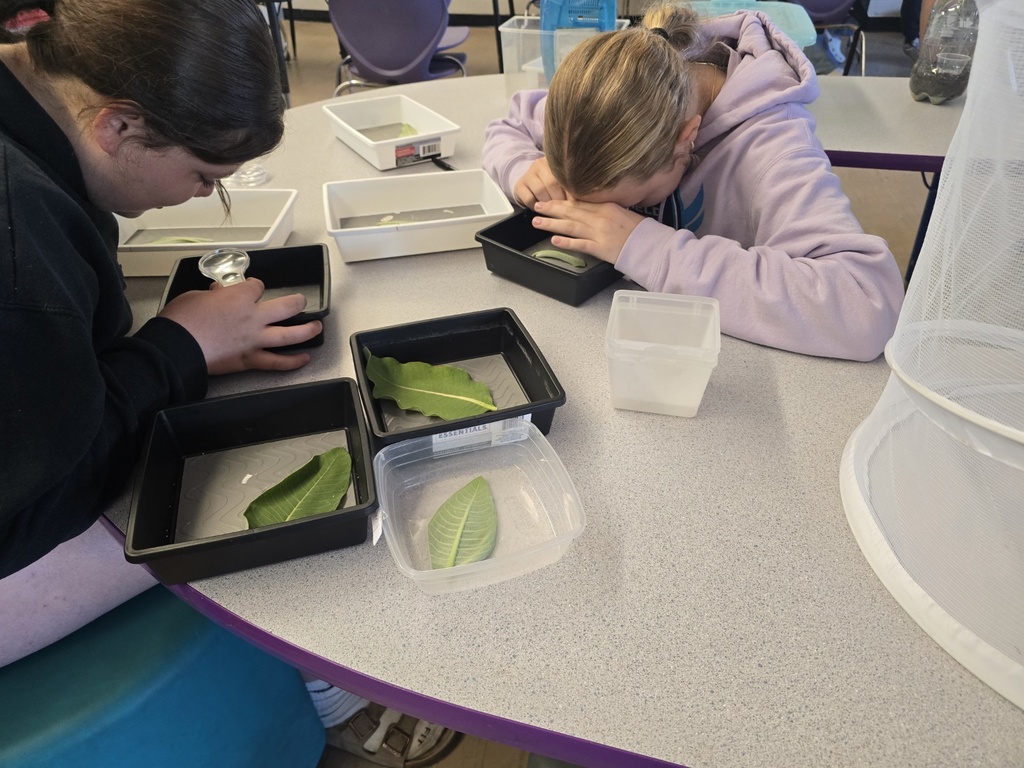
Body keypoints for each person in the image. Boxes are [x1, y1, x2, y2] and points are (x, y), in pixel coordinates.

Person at [0, 4, 461, 762]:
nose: (203, 198)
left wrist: (180, 348)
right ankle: (338, 705)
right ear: (116, 126)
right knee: (269, 503)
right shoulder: (19, 251)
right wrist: (179, 346)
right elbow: (49, 493)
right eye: (203, 176)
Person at [482, 4, 905, 363]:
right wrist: (524, 166)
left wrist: (648, 247)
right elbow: (511, 123)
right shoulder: (615, 92)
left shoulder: (774, 148)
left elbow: (867, 304)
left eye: (635, 201)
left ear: (687, 139)